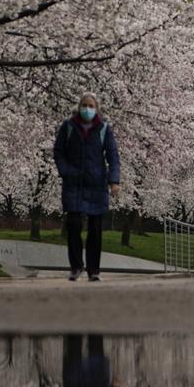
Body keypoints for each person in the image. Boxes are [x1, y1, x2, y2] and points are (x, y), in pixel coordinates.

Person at [53, 93, 120, 281]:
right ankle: (76, 266)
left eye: (91, 105)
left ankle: (94, 270)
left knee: (95, 228)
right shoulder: (68, 127)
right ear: (79, 106)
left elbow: (113, 156)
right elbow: (58, 152)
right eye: (84, 105)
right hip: (73, 184)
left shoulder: (104, 128)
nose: (87, 109)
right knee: (73, 224)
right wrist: (65, 171)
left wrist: (114, 180)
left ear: (96, 108)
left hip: (96, 184)